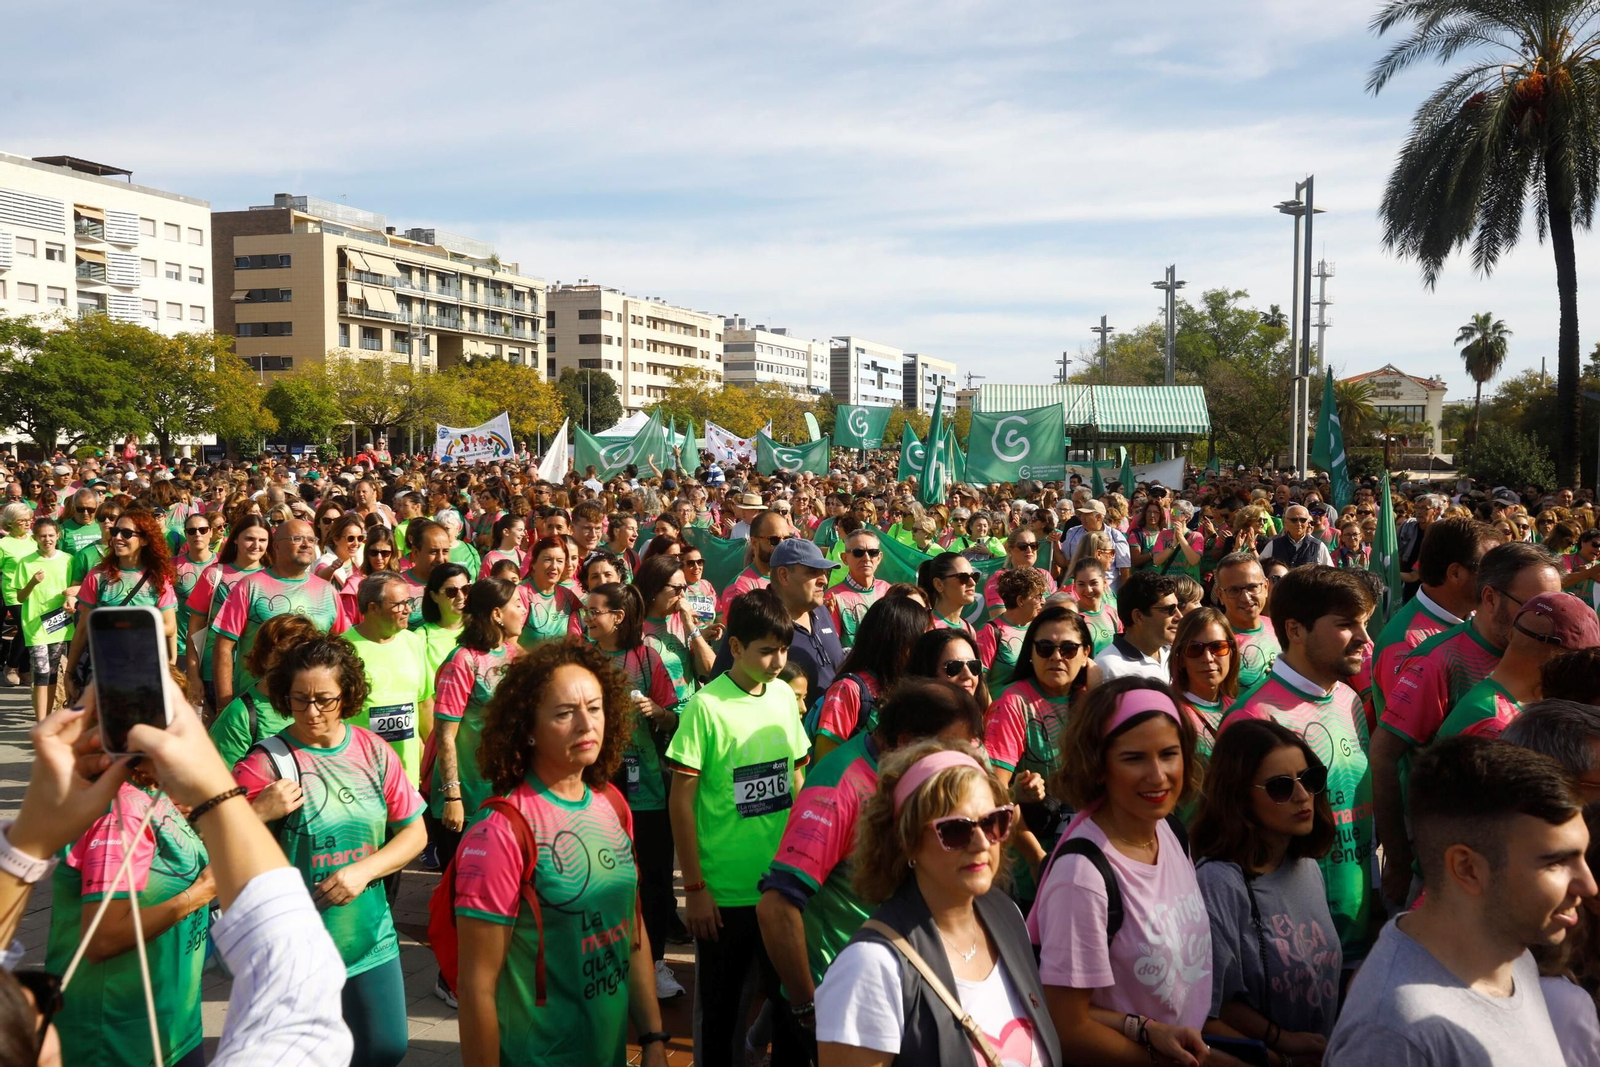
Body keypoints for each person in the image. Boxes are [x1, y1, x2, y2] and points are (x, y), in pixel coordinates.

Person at [452, 641, 670, 1066]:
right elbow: (476, 985)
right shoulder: (500, 831)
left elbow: (633, 930)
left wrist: (654, 1037)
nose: (586, 724)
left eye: (595, 707)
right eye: (564, 713)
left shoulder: (612, 805)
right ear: (528, 726)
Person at [757, 680, 985, 1067]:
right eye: (952, 749)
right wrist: (807, 1007)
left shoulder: (915, 777)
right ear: (906, 740)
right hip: (843, 998)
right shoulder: (839, 786)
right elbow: (776, 907)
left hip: (904, 985)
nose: (962, 762)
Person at [1325, 737, 1592, 1066]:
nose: (1589, 885)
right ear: (1467, 868)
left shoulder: (1510, 952)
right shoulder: (1392, 1035)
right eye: (1555, 862)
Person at [233, 635, 427, 1067]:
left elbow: (415, 834)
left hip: (370, 934)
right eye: (299, 699)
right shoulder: (266, 762)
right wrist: (259, 810)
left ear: (348, 695)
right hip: (296, 947)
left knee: (385, 1047)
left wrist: (364, 870)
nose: (312, 711)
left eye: (324, 699)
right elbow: (214, 840)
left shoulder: (373, 750)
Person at [814, 740, 1060, 1066]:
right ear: (908, 842)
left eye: (993, 822)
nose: (981, 842)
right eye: (955, 830)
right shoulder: (869, 967)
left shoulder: (1008, 916)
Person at [1032, 679, 1216, 1065]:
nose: (1158, 775)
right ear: (1098, 766)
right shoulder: (1082, 878)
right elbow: (1068, 1027)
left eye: (1169, 754)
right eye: (1134, 758)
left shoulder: (1169, 832)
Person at [1372, 542, 1561, 909]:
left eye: (1554, 606)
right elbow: (1383, 756)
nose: (1548, 619)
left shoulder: (1544, 653)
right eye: (1534, 606)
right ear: (1490, 598)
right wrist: (1397, 860)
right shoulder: (1438, 660)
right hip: (1442, 867)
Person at [668, 589, 812, 1067]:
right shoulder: (705, 708)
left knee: (794, 1008)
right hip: (724, 895)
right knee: (722, 1014)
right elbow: (682, 802)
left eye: (783, 650)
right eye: (765, 650)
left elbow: (797, 775)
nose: (777, 662)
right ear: (735, 647)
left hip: (781, 889)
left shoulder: (781, 699)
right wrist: (695, 887)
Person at [1225, 565, 1376, 966]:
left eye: (1364, 624)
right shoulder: (1255, 718)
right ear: (1294, 630)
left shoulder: (1347, 698)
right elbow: (1238, 844)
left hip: (1364, 929)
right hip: (1297, 950)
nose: (1365, 639)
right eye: (1347, 625)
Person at [44, 731, 215, 1067]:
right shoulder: (117, 814)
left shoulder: (151, 788)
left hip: (174, 1024)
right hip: (116, 1038)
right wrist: (199, 894)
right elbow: (102, 938)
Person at [1190, 718, 1342, 1058]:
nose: (1303, 796)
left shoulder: (1305, 866)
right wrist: (1280, 1041)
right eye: (1280, 787)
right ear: (1240, 797)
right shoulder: (1218, 883)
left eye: (1309, 779)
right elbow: (1207, 1006)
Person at [582, 580, 684, 999]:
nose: (587, 618)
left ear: (618, 617)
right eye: (586, 611)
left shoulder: (646, 657)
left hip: (647, 788)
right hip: (594, 785)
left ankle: (654, 962)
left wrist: (657, 711)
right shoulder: (582, 658)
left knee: (655, 877)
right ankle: (604, 959)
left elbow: (675, 715)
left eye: (594, 611)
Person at [986, 605, 1094, 903]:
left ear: (1086, 653)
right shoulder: (1014, 703)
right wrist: (1036, 858)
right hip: (1033, 865)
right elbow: (994, 792)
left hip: (1090, 856)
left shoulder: (1093, 700)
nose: (1056, 657)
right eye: (1045, 647)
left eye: (1069, 649)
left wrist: (1099, 689)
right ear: (1030, 652)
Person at [428, 577, 526, 881]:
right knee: (463, 890)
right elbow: (445, 735)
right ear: (497, 614)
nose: (524, 611)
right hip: (468, 798)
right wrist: (452, 799)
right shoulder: (463, 661)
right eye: (518, 605)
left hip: (507, 793)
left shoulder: (514, 655)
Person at [1368, 517, 1498, 719]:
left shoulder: (1481, 616)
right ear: (1455, 573)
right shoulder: (1405, 645)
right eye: (1491, 569)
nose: (1500, 579)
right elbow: (1411, 732)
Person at [211, 519, 349, 708]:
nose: (306, 544)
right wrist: (224, 704)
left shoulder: (327, 591)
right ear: (276, 546)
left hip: (313, 709)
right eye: (297, 538)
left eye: (311, 539)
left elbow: (340, 646)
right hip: (259, 708)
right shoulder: (250, 586)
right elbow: (223, 647)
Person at [1437, 591, 1600, 740]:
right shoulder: (1498, 725)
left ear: (1511, 633)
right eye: (1584, 662)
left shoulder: (1495, 700)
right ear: (1561, 660)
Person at [63, 509, 178, 700]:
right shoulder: (98, 576)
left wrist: (125, 626)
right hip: (101, 671)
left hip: (145, 672)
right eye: (115, 531)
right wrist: (69, 673)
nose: (117, 537)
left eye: (126, 533)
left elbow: (169, 626)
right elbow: (83, 629)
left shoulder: (158, 578)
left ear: (145, 540)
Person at [712, 538, 845, 698]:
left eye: (824, 572)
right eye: (813, 572)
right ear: (784, 575)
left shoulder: (821, 610)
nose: (824, 580)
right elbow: (722, 688)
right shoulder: (755, 619)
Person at [812, 595, 932, 759]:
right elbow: (825, 763)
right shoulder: (848, 689)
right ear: (897, 640)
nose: (926, 647)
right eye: (921, 638)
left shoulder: (914, 686)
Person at [345, 572, 435, 788]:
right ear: (373, 608)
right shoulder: (343, 649)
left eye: (409, 601)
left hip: (407, 777)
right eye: (400, 604)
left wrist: (433, 761)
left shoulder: (413, 642)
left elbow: (424, 704)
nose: (409, 610)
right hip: (359, 776)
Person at [183, 514, 271, 711]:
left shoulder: (272, 577)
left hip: (258, 676)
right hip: (212, 674)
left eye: (262, 540)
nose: (256, 545)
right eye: (249, 538)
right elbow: (195, 628)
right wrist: (193, 675)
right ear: (236, 539)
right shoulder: (214, 574)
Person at [15, 517, 73, 721]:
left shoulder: (68, 559)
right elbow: (20, 597)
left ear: (58, 535)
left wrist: (70, 596)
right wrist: (33, 582)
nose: (47, 539)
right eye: (42, 536)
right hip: (35, 625)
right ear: (35, 538)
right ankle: (41, 722)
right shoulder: (26, 562)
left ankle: (50, 718)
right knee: (40, 671)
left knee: (53, 672)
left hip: (60, 623)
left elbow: (74, 587)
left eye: (50, 535)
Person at [1170, 606, 1240, 761]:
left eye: (1218, 647)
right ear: (1180, 658)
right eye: (1194, 649)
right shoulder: (1171, 714)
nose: (1208, 658)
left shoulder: (1239, 710)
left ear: (1232, 653)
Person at [1213, 551, 1282, 693]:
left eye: (1252, 587)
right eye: (1234, 590)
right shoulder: (1211, 642)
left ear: (1265, 587)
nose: (1245, 598)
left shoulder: (1276, 627)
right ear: (1220, 595)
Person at [1093, 569, 1179, 682]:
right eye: (1169, 609)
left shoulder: (1175, 656)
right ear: (1138, 616)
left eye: (1178, 606)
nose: (1179, 616)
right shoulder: (1108, 667)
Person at [977, 565, 1048, 700]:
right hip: (1000, 715)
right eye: (1038, 597)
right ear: (1021, 601)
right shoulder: (990, 631)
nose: (1043, 601)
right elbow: (980, 681)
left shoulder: (1038, 628)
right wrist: (991, 714)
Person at [717, 506, 789, 617]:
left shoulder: (791, 579)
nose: (781, 546)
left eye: (787, 539)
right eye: (774, 540)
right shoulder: (739, 590)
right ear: (755, 542)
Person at [827, 527, 890, 648]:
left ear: (879, 557)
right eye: (858, 553)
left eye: (873, 552)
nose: (866, 558)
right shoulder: (833, 597)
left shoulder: (888, 590)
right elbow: (832, 645)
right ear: (845, 558)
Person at [518, 535, 583, 648]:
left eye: (559, 561)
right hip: (527, 664)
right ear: (533, 563)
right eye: (547, 559)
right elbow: (509, 641)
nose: (554, 566)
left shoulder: (569, 596)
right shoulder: (520, 593)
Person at [417, 562, 471, 682]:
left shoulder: (482, 629)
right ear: (434, 596)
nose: (461, 597)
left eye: (466, 589)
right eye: (451, 592)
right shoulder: (422, 638)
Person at [906, 626, 987, 703]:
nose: (968, 675)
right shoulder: (906, 716)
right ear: (927, 673)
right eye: (954, 668)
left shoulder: (984, 716)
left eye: (974, 666)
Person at [919, 550, 981, 637]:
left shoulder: (969, 631)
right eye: (963, 577)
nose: (972, 583)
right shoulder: (921, 626)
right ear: (939, 584)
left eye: (975, 577)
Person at [1258, 505, 1335, 568]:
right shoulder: (1273, 545)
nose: (1298, 524)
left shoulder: (1318, 546)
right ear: (1285, 522)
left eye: (1303, 520)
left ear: (1308, 523)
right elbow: (1260, 569)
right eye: (1294, 520)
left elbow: (1329, 575)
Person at [479, 513, 527, 578]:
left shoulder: (523, 556)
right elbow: (484, 585)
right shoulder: (491, 558)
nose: (523, 534)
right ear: (506, 532)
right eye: (520, 530)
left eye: (523, 530)